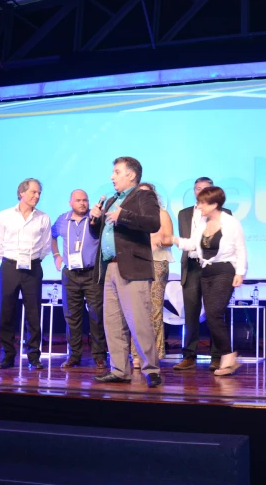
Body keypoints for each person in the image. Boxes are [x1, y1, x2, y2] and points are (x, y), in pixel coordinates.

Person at [93, 157, 162, 388]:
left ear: (131, 175)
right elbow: (102, 234)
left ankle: (151, 369)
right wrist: (95, 222)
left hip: (132, 267)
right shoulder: (112, 200)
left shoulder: (143, 195)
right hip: (110, 267)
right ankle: (119, 369)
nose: (112, 176)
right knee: (112, 322)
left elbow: (153, 223)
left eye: (116, 171)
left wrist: (123, 215)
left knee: (139, 321)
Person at [172, 186, 247, 377]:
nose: (198, 206)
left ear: (214, 204)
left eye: (202, 203)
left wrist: (240, 272)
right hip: (207, 273)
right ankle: (227, 357)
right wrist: (173, 239)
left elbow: (240, 249)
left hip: (225, 272)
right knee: (213, 317)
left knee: (214, 314)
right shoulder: (204, 222)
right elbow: (192, 245)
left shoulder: (230, 223)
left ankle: (228, 357)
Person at [0, 178, 52, 370]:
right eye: (34, 192)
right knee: (7, 312)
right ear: (21, 193)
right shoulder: (4, 215)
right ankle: (8, 356)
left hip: (33, 268)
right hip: (10, 267)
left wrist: (33, 260)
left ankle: (34, 356)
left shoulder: (43, 217)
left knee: (34, 313)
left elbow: (46, 246)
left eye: (39, 193)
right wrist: (10, 261)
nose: (37, 196)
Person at [50, 189, 108, 369]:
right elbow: (52, 236)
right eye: (78, 200)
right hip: (70, 274)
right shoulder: (62, 220)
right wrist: (57, 255)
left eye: (85, 200)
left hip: (92, 273)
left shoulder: (95, 218)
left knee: (96, 316)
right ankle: (74, 355)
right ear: (70, 203)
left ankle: (99, 356)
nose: (82, 203)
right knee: (72, 317)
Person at [130, 182, 173, 369]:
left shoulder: (161, 213)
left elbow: (169, 239)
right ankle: (135, 354)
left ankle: (154, 353)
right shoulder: (130, 215)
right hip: (135, 264)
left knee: (153, 310)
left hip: (157, 263)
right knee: (135, 310)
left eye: (147, 194)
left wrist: (152, 240)